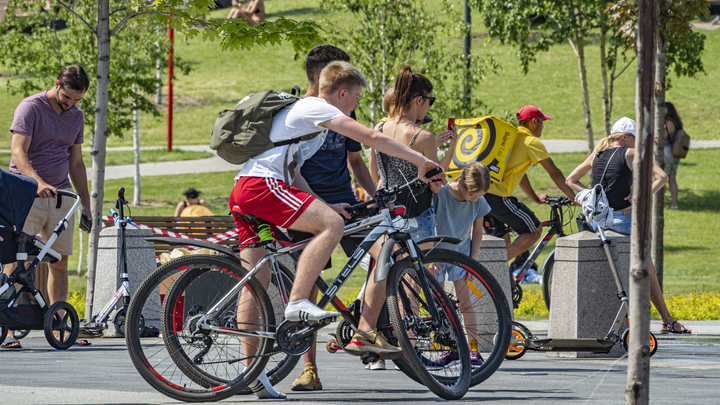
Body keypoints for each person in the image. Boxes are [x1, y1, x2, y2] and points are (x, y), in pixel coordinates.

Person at [230, 61, 444, 395]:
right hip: (262, 187)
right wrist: (423, 161)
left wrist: (325, 205)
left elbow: (295, 172)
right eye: (355, 99)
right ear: (342, 93)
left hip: (246, 190)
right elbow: (371, 137)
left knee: (256, 282)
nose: (355, 107)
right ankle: (299, 301)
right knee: (332, 226)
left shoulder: (303, 120)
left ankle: (251, 374)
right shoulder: (316, 107)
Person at [284, 45, 379, 389]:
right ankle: (309, 369)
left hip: (345, 201)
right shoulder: (297, 113)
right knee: (305, 286)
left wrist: (374, 194)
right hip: (305, 206)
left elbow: (356, 161)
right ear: (323, 75)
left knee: (387, 253)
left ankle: (365, 331)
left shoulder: (343, 111)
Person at [566, 117, 691, 334]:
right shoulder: (630, 153)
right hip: (622, 221)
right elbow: (662, 177)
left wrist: (588, 196)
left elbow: (570, 180)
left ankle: (664, 319)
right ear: (625, 137)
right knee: (648, 266)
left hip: (598, 224)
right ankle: (667, 320)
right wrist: (639, 195)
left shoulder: (597, 153)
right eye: (635, 138)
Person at [2, 65, 92, 349]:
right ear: (56, 85)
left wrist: (87, 205)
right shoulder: (31, 108)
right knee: (14, 260)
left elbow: (76, 163)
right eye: (67, 98)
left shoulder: (76, 116)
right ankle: (9, 330)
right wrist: (37, 182)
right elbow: (18, 151)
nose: (71, 104)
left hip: (60, 195)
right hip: (25, 192)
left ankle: (61, 326)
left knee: (60, 262)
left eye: (78, 100)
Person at [368, 66, 457, 244]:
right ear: (419, 100)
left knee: (389, 269)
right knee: (419, 270)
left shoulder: (378, 128)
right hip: (418, 214)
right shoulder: (424, 137)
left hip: (387, 212)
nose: (429, 107)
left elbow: (374, 174)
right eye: (430, 101)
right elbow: (435, 186)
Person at [482, 105, 577, 264]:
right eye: (542, 122)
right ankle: (494, 266)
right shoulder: (531, 142)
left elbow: (519, 173)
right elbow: (555, 173)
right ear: (534, 121)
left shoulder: (510, 138)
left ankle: (498, 280)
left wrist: (534, 198)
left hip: (482, 196)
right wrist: (573, 197)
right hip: (498, 197)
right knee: (534, 230)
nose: (543, 126)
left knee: (503, 241)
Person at [431, 161, 491, 367]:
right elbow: (429, 223)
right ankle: (448, 348)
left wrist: (472, 261)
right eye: (473, 196)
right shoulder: (441, 194)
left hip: (461, 255)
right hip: (437, 255)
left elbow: (478, 231)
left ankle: (473, 349)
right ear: (462, 184)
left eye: (479, 196)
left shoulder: (479, 201)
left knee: (466, 303)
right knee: (437, 304)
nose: (475, 200)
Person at [662, 102, 683, 210]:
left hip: (667, 152)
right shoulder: (676, 122)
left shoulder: (668, 122)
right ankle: (674, 204)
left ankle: (659, 204)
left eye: (664, 109)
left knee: (662, 178)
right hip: (675, 154)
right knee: (672, 179)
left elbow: (664, 135)